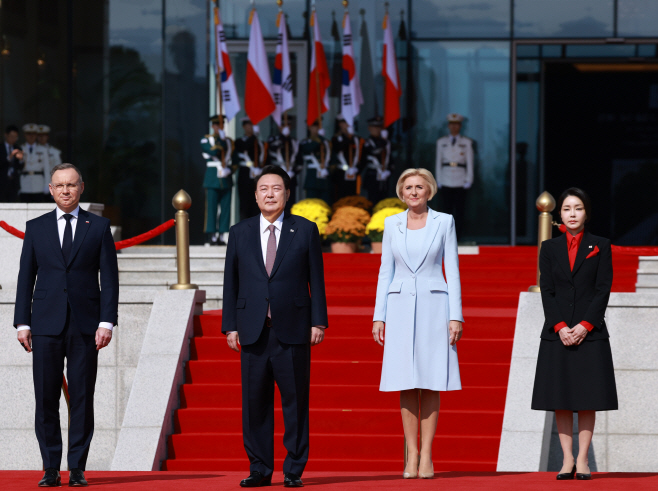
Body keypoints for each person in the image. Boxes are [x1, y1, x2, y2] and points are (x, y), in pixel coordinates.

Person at [222, 165, 328, 488]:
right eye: (264, 189)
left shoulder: (305, 230)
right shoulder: (239, 233)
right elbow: (231, 282)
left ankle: (294, 468)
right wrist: (230, 326)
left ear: (287, 194)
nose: (270, 194)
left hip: (293, 329)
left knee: (295, 401)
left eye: (277, 188)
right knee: (255, 403)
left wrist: (318, 321)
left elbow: (316, 281)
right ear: (255, 196)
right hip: (253, 329)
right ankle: (259, 469)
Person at [14, 163, 119, 487]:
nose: (65, 190)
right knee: (45, 397)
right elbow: (25, 277)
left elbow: (110, 279)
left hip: (86, 325)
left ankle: (77, 467)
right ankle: (50, 467)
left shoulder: (98, 227)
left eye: (71, 185)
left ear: (81, 188)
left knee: (82, 396)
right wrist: (22, 322)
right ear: (50, 189)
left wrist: (107, 322)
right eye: (59, 185)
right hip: (45, 324)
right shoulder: (36, 227)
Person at [372, 168, 463, 480]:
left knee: (431, 380)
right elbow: (386, 271)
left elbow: (452, 267)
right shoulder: (391, 223)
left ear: (429, 191)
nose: (413, 192)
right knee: (405, 381)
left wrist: (456, 315)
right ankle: (411, 455)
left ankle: (428, 456)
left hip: (435, 307)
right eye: (408, 187)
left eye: (419, 187)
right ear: (401, 192)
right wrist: (378, 315)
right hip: (398, 308)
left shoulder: (445, 221)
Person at [531, 187, 617, 481]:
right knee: (562, 397)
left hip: (589, 333)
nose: (572, 214)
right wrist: (560, 327)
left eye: (577, 208)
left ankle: (583, 460)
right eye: (567, 209)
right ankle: (566, 460)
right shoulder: (549, 248)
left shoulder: (600, 246)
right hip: (558, 334)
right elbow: (548, 292)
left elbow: (603, 289)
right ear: (559, 215)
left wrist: (584, 325)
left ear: (586, 213)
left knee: (587, 398)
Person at [434, 113, 473, 239]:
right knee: (446, 210)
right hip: (445, 179)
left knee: (460, 211)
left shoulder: (466, 142)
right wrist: (438, 180)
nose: (454, 127)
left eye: (456, 124)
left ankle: (458, 236)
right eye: (452, 124)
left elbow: (470, 162)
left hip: (460, 179)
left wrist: (469, 179)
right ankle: (445, 237)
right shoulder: (441, 142)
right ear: (448, 126)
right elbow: (438, 162)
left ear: (460, 126)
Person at [202, 115, 233, 245]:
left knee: (225, 209)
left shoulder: (229, 141)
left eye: (221, 125)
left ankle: (222, 234)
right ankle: (212, 235)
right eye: (217, 125)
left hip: (225, 178)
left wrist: (230, 170)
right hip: (213, 178)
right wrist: (220, 140)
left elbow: (234, 159)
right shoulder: (206, 140)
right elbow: (213, 152)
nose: (219, 127)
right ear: (212, 126)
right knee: (212, 208)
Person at [233, 117, 264, 220]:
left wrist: (261, 169)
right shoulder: (239, 141)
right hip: (245, 174)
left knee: (257, 204)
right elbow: (245, 147)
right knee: (244, 204)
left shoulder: (260, 143)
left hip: (258, 175)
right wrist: (254, 136)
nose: (251, 127)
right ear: (244, 126)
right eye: (249, 125)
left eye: (253, 125)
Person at [266, 122, 299, 214]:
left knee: (290, 203)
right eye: (283, 125)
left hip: (291, 177)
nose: (286, 127)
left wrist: (294, 172)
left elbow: (299, 162)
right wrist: (283, 138)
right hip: (277, 178)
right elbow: (271, 155)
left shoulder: (294, 142)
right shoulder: (273, 140)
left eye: (288, 125)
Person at [360, 116, 391, 206]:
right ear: (369, 128)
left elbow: (390, 159)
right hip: (372, 176)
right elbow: (374, 151)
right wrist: (384, 141)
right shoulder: (367, 142)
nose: (377, 130)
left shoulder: (386, 142)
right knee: (372, 201)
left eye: (379, 127)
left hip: (384, 177)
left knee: (384, 200)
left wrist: (389, 171)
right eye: (375, 127)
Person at [298, 120, 331, 203]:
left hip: (325, 179)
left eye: (318, 126)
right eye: (314, 126)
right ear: (309, 127)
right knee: (311, 204)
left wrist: (329, 170)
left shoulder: (326, 142)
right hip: (312, 179)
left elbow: (332, 159)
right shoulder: (305, 142)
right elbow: (308, 148)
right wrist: (318, 140)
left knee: (325, 204)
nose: (316, 128)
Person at [330, 114, 361, 199]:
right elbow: (337, 148)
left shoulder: (357, 139)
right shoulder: (336, 138)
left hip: (353, 172)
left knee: (353, 196)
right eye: (345, 123)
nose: (348, 125)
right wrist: (348, 138)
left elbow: (362, 155)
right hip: (341, 173)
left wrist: (358, 168)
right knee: (340, 196)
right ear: (340, 124)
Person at [20, 123, 50, 202]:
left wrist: (47, 185)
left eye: (33, 134)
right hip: (24, 183)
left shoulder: (43, 149)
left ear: (36, 135)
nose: (31, 136)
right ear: (25, 135)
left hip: (38, 184)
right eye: (29, 134)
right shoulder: (20, 148)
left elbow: (47, 169)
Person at [37, 125, 62, 200]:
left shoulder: (54, 152)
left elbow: (58, 171)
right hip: (36, 184)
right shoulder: (32, 151)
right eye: (39, 135)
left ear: (47, 137)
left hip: (50, 184)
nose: (41, 138)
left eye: (43, 135)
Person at [1, 124, 24, 202]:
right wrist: (9, 157)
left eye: (15, 137)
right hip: (2, 182)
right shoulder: (1, 148)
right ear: (6, 135)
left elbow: (20, 167)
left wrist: (21, 159)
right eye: (11, 136)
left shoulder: (18, 148)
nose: (13, 139)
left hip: (13, 183)